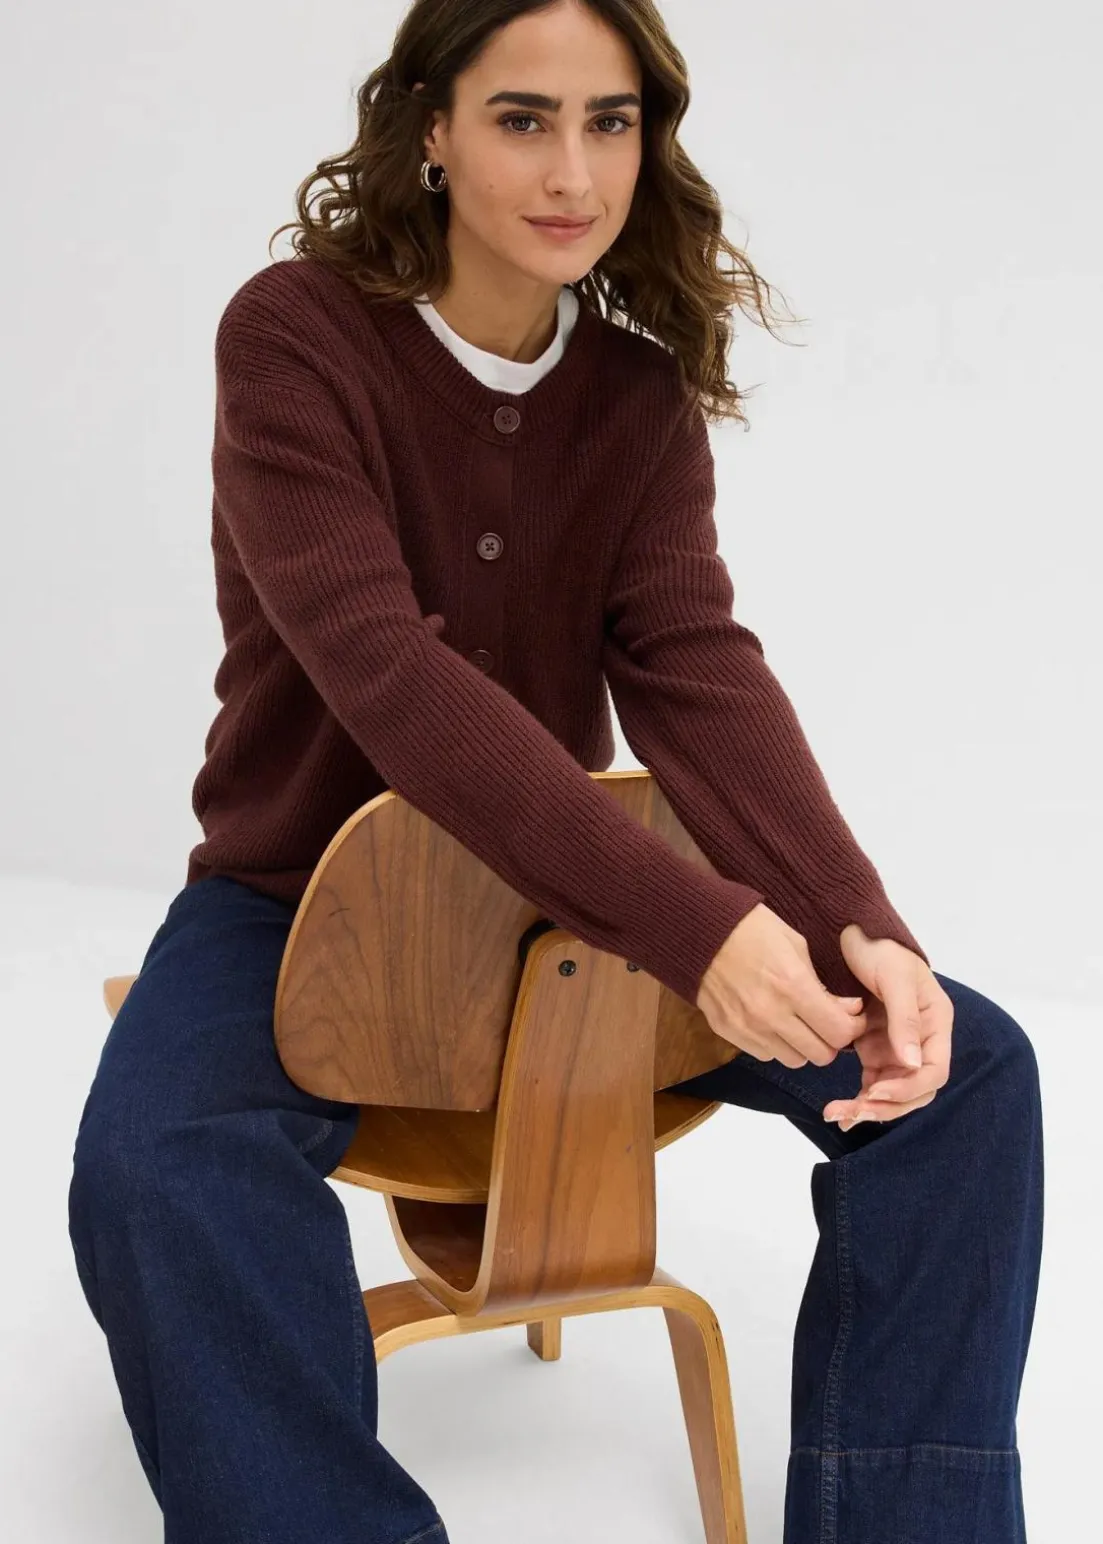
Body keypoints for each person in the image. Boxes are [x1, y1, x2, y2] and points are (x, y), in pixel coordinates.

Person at [66, 2, 1044, 1541]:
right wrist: (699, 930)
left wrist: (858, 928)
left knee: (963, 1076)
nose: (572, 172)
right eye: (523, 118)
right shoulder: (295, 338)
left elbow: (696, 673)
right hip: (294, 899)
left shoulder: (635, 400)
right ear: (431, 132)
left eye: (610, 123)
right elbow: (391, 681)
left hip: (569, 916)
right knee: (155, 1170)